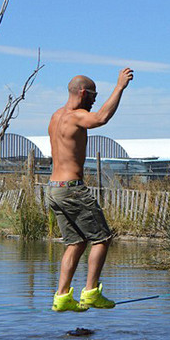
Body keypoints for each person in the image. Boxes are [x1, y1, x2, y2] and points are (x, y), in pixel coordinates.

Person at [46, 68, 134, 312]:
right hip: (72, 190)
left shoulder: (55, 116)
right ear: (83, 93)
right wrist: (120, 87)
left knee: (76, 243)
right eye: (94, 95)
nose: (95, 100)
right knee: (102, 239)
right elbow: (101, 118)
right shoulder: (77, 116)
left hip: (53, 189)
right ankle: (91, 293)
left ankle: (62, 297)